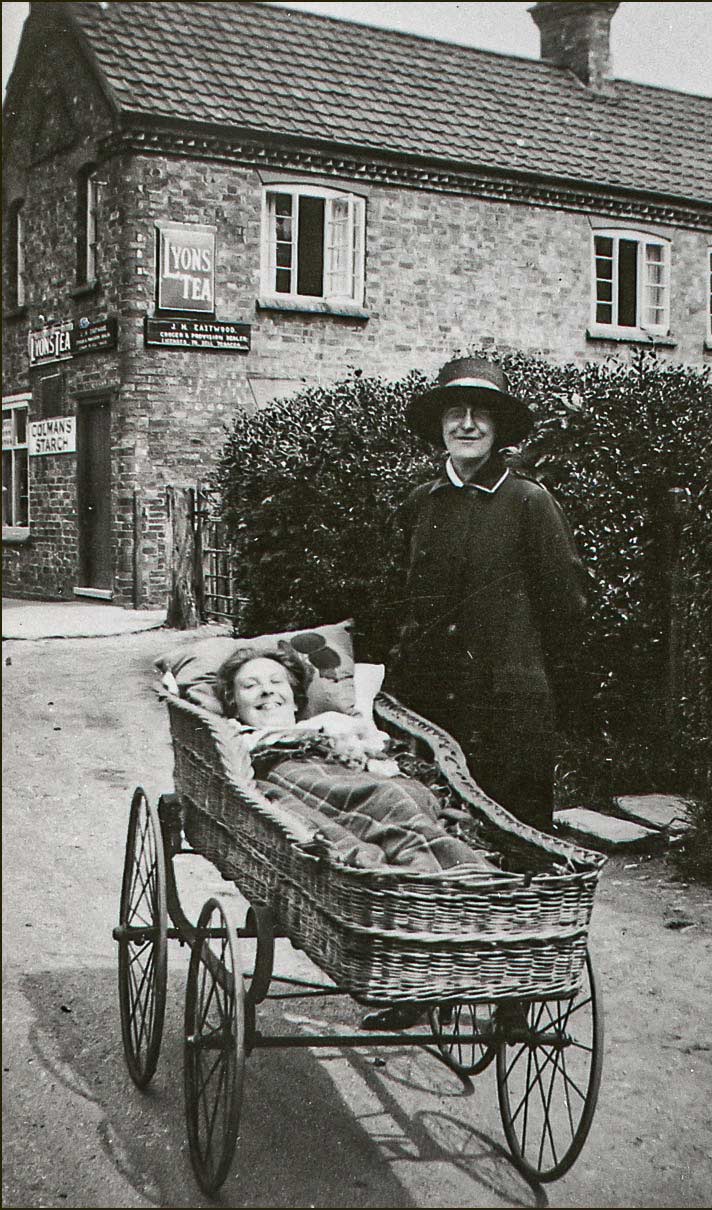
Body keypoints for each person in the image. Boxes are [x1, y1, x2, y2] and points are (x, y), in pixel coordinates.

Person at [216, 643, 494, 1031]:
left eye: (276, 682)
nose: (266, 691)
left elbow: (380, 751)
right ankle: (427, 889)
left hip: (356, 772)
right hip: (292, 774)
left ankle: (447, 885)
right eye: (250, 686)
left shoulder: (330, 722)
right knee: (342, 827)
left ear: (297, 699)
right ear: (233, 704)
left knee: (405, 796)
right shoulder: (238, 735)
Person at [389, 355, 589, 833]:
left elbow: (566, 608)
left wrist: (533, 682)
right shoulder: (421, 503)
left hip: (510, 713)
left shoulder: (528, 501)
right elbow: (403, 600)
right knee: (438, 839)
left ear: (498, 428)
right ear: (439, 426)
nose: (467, 425)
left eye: (481, 414)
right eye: (455, 413)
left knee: (516, 841)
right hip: (434, 708)